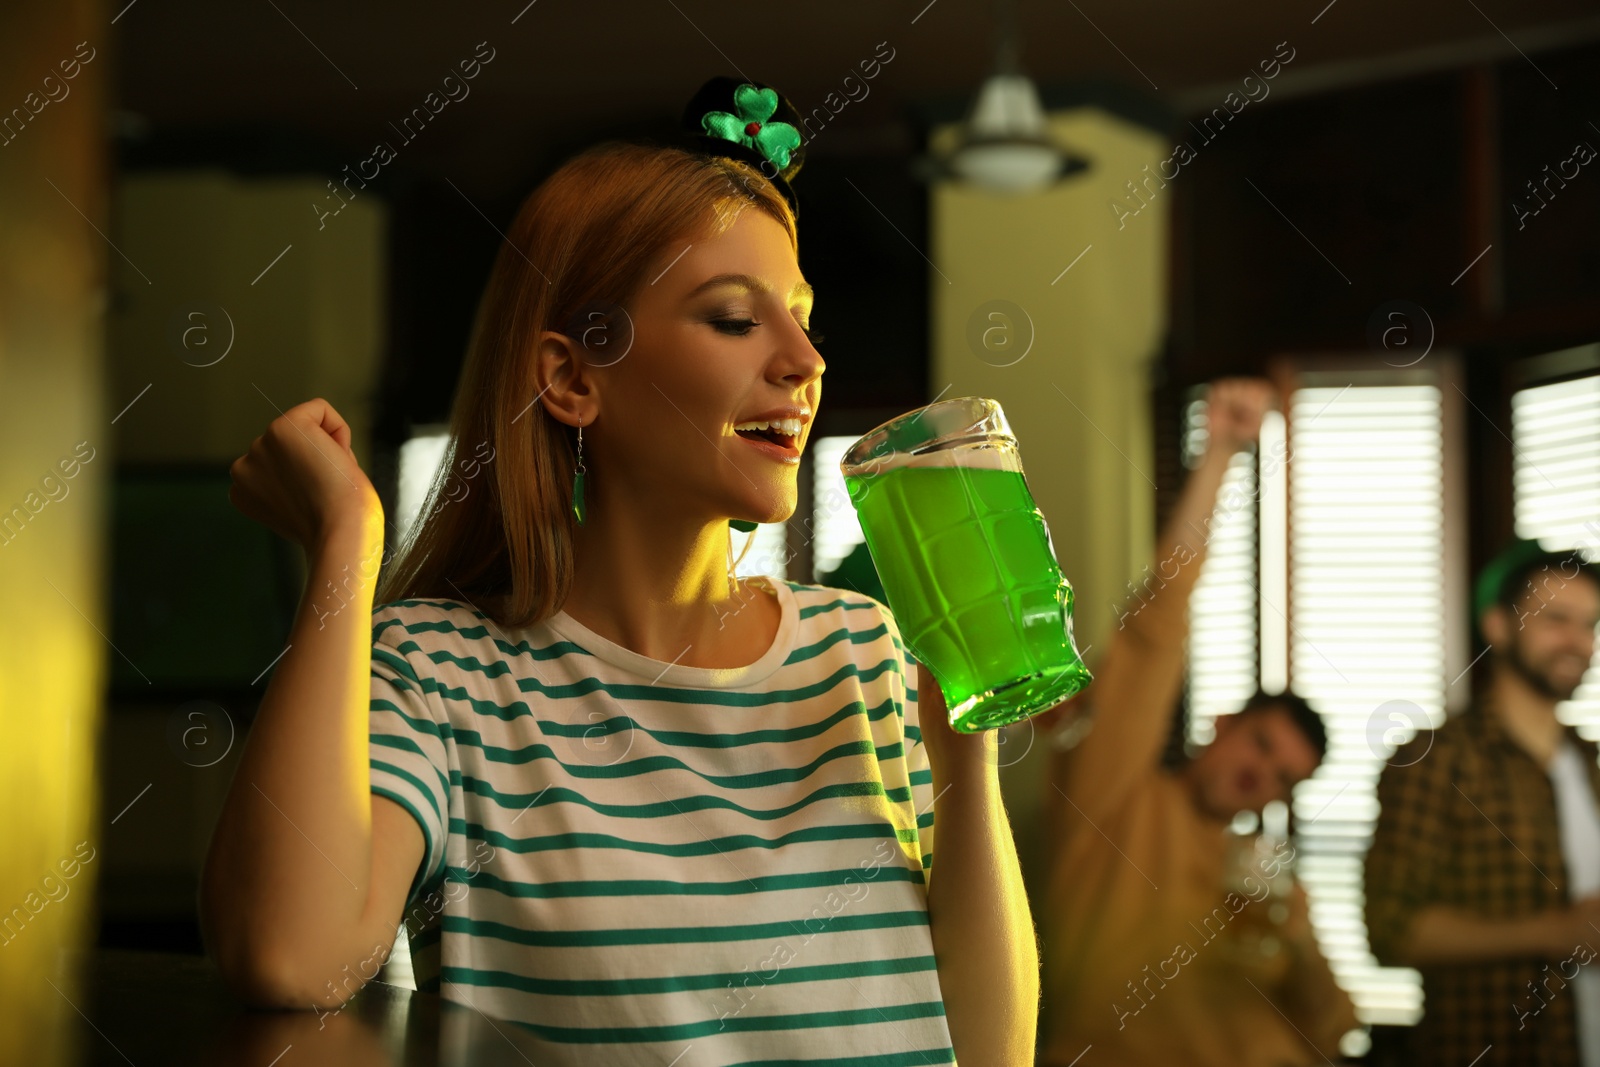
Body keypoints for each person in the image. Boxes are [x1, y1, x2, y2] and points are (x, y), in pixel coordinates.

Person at [199, 78, 1037, 1066]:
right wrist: (345, 541)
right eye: (734, 319)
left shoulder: (864, 648)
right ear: (572, 376)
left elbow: (990, 1054)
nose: (805, 359)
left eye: (803, 318)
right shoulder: (443, 674)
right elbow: (290, 958)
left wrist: (969, 758)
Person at [1034, 378, 1357, 1066]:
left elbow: (1333, 1029)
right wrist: (1222, 453)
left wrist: (1296, 942)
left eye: (1281, 777)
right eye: (1261, 744)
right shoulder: (1117, 798)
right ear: (1223, 721)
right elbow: (1160, 617)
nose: (1259, 772)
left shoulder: (1269, 886)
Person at [1364, 539, 1600, 1066]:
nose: (1578, 641)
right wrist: (1556, 932)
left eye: (1590, 624)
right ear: (1498, 626)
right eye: (1556, 618)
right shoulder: (1435, 759)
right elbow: (1390, 931)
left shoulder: (1591, 764)